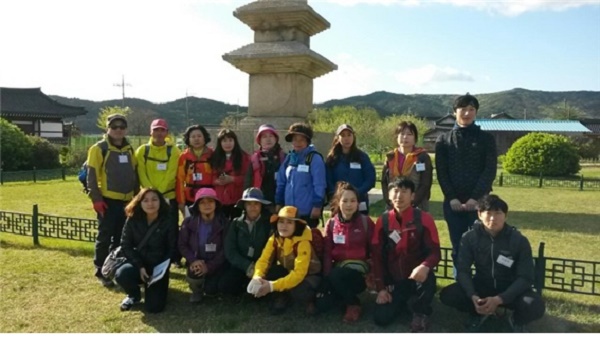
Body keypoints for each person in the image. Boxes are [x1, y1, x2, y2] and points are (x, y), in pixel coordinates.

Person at [439, 195, 545, 332]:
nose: (493, 218)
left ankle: (516, 320)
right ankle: (477, 313)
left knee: (534, 305)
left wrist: (499, 299)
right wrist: (473, 295)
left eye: (498, 213)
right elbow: (463, 270)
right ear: (479, 214)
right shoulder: (470, 237)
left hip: (510, 289)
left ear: (505, 215)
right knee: (449, 294)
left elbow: (526, 277)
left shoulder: (518, 240)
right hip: (482, 286)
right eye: (488, 213)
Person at [435, 93, 497, 271]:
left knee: (482, 245)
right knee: (458, 245)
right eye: (463, 109)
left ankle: (482, 284)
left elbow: (489, 170)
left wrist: (475, 198)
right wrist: (452, 197)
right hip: (452, 203)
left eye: (472, 109)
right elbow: (442, 172)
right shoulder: (443, 140)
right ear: (455, 112)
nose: (467, 113)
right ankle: (461, 283)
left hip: (479, 203)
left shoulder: (486, 139)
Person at [370, 177, 441, 332]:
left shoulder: (424, 219)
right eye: (395, 191)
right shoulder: (383, 221)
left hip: (418, 278)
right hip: (394, 279)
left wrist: (425, 266)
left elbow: (435, 252)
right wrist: (381, 288)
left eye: (404, 191)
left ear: (413, 196)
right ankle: (404, 302)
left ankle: (421, 312)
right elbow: (376, 256)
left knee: (427, 277)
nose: (399, 196)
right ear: (388, 195)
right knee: (381, 318)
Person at [86, 113, 139, 287]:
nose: (118, 130)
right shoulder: (99, 148)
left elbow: (134, 173)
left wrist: (137, 197)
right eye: (114, 127)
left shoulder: (129, 148)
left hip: (127, 201)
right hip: (108, 200)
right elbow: (91, 176)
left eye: (121, 127)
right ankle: (100, 270)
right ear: (107, 128)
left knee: (120, 238)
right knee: (104, 237)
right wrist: (96, 199)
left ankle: (114, 268)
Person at [316, 182, 375, 323]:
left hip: (359, 274)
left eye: (353, 201)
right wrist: (326, 277)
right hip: (338, 271)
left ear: (358, 203)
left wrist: (373, 274)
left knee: (336, 275)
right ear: (338, 202)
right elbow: (327, 253)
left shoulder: (366, 222)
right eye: (345, 201)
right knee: (322, 305)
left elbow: (375, 250)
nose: (349, 205)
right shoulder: (331, 224)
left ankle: (354, 304)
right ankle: (344, 299)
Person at [250, 206, 322, 315]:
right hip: (290, 271)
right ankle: (282, 298)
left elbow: (299, 274)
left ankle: (311, 301)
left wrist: (271, 286)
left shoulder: (303, 243)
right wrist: (257, 277)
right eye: (281, 221)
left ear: (296, 226)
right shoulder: (274, 238)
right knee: (271, 272)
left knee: (298, 290)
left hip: (310, 276)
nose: (284, 226)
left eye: (289, 222)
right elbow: (263, 260)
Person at [115, 188, 177, 313]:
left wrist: (161, 269)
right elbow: (125, 245)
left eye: (154, 199)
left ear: (161, 202)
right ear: (139, 202)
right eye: (146, 200)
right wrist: (140, 266)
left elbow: (172, 248)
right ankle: (134, 295)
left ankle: (156, 287)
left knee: (154, 308)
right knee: (121, 274)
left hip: (158, 266)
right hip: (138, 262)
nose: (150, 204)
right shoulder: (132, 219)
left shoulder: (168, 220)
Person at [135, 118, 182, 267]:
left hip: (168, 196)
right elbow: (141, 172)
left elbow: (172, 173)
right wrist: (151, 193)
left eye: (162, 130)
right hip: (148, 197)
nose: (159, 133)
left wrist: (158, 193)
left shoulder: (174, 151)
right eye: (156, 130)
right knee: (149, 227)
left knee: (171, 227)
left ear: (167, 132)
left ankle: (174, 257)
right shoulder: (142, 150)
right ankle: (150, 255)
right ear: (151, 132)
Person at [178, 188, 228, 303]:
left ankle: (211, 286)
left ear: (216, 204)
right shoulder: (188, 222)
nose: (207, 205)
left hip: (216, 263)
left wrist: (209, 266)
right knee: (194, 272)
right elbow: (182, 245)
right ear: (197, 206)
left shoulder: (224, 223)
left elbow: (226, 249)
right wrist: (193, 260)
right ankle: (196, 291)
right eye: (202, 202)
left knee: (212, 290)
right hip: (197, 261)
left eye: (210, 201)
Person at [221, 188, 273, 296]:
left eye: (256, 204)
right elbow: (230, 250)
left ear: (261, 206)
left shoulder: (268, 225)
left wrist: (258, 268)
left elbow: (272, 250)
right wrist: (247, 266)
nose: (253, 207)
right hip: (241, 265)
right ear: (244, 206)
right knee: (225, 286)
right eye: (249, 204)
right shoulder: (236, 224)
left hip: (262, 267)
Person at [275, 123, 326, 228]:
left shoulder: (314, 158)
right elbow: (281, 182)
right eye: (295, 139)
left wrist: (317, 206)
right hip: (289, 212)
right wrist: (279, 202)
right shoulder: (289, 158)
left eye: (301, 139)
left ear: (307, 141)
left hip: (307, 212)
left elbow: (319, 184)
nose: (297, 143)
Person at [325, 124, 376, 215]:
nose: (346, 138)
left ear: (353, 137)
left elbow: (370, 179)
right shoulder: (332, 158)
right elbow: (328, 181)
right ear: (337, 138)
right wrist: (338, 196)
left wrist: (356, 194)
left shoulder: (362, 157)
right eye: (343, 135)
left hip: (360, 201)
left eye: (349, 135)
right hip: (339, 202)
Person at [381, 121, 432, 211]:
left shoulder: (422, 156)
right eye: (402, 134)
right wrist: (388, 199)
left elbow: (425, 183)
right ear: (397, 137)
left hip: (417, 204)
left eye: (409, 134)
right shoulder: (390, 156)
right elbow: (384, 181)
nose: (405, 137)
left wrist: (413, 202)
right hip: (394, 203)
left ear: (415, 138)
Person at [244, 124, 286, 212]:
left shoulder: (284, 157)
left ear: (276, 139)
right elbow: (248, 182)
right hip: (259, 201)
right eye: (264, 137)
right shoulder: (254, 159)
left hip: (280, 201)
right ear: (259, 140)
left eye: (271, 136)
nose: (268, 139)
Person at [211, 129, 250, 220]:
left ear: (235, 142)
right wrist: (217, 181)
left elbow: (247, 178)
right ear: (219, 143)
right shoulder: (214, 157)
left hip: (237, 199)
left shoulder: (244, 157)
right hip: (219, 200)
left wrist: (232, 179)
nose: (227, 143)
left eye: (230, 140)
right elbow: (211, 176)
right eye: (224, 141)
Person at [176, 125, 214, 217]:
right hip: (190, 198)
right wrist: (181, 201)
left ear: (205, 138)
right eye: (193, 137)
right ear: (188, 139)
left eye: (199, 136)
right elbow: (180, 180)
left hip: (209, 198)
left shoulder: (213, 155)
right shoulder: (184, 157)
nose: (196, 139)